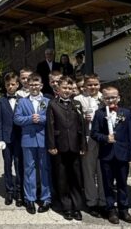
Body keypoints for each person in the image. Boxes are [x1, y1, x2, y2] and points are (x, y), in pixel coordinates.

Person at [91, 86, 131, 225]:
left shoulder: (126, 113)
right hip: (107, 155)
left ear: (118, 98)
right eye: (107, 98)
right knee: (108, 185)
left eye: (113, 97)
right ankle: (111, 210)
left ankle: (124, 210)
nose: (110, 100)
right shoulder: (99, 114)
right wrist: (105, 138)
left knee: (122, 184)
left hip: (122, 154)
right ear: (103, 99)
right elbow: (94, 133)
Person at [46, 76, 87, 221]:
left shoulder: (77, 104)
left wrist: (83, 144)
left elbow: (81, 126)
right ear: (58, 89)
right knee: (62, 177)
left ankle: (77, 206)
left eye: (70, 88)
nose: (67, 90)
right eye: (64, 88)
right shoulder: (53, 104)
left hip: (75, 145)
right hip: (60, 145)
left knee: (76, 177)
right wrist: (51, 145)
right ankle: (66, 206)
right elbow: (50, 126)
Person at [13, 73, 51, 215]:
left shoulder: (47, 101)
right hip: (28, 139)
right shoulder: (22, 102)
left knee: (44, 169)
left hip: (43, 139)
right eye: (31, 85)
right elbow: (17, 119)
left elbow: (51, 118)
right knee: (29, 169)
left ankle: (46, 198)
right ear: (27, 86)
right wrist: (30, 119)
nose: (34, 87)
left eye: (36, 84)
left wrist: (41, 119)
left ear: (41, 85)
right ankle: (29, 198)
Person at [74, 73, 106, 216]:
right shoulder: (78, 99)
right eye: (90, 85)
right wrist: (83, 119)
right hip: (87, 139)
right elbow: (74, 120)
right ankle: (91, 201)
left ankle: (104, 201)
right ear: (84, 86)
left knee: (102, 171)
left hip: (103, 139)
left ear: (99, 85)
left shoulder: (105, 97)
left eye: (95, 84)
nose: (93, 87)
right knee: (88, 172)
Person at [0, 72, 24, 207]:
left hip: (19, 138)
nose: (10, 87)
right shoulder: (1, 101)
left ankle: (19, 192)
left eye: (13, 84)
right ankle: (9, 191)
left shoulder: (22, 100)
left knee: (19, 165)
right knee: (7, 165)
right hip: (6, 139)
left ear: (17, 85)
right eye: (8, 85)